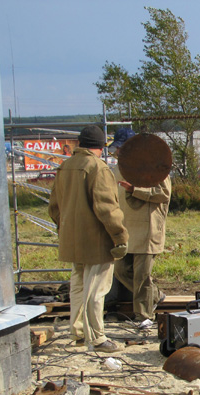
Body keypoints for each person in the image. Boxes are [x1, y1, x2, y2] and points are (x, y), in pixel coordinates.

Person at [48, 125, 128, 352]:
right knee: (96, 290)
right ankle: (97, 338)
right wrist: (120, 236)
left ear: (80, 144)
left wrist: (65, 229)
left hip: (71, 239)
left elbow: (54, 207)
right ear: (101, 147)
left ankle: (78, 332)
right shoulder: (98, 168)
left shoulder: (65, 167)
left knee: (78, 287)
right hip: (96, 240)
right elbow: (107, 208)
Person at [109, 128, 172, 330]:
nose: (119, 152)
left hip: (147, 229)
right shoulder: (117, 169)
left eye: (122, 148)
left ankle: (144, 316)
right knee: (120, 270)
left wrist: (135, 190)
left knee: (142, 276)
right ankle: (156, 295)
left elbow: (163, 194)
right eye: (118, 148)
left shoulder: (155, 167)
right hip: (125, 229)